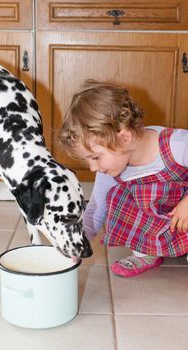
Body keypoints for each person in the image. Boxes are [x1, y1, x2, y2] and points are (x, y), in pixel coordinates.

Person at [58, 79, 188, 277]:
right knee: (120, 198)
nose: (93, 168)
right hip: (164, 218)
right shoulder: (111, 169)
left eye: (95, 157)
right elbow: (96, 208)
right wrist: (78, 241)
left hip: (183, 213)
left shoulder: (177, 145)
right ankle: (146, 252)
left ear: (124, 137)